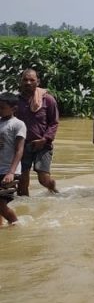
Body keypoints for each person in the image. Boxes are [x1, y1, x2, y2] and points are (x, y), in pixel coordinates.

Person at [14, 69, 58, 196]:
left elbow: (54, 123)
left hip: (43, 145)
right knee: (22, 183)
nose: (28, 82)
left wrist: (45, 139)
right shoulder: (15, 101)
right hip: (21, 146)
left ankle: (54, 190)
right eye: (25, 80)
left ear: (38, 82)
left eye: (32, 80)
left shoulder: (48, 100)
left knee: (43, 179)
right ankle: (25, 210)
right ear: (20, 82)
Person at [0, 93, 26, 226]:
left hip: (9, 170)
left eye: (2, 107)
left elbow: (19, 149)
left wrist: (11, 171)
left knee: (0, 203)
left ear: (13, 109)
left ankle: (16, 224)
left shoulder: (18, 124)